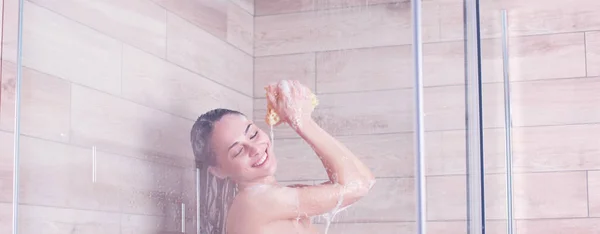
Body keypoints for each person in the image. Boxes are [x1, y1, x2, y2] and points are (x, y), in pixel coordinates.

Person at [190, 80, 375, 234]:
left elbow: (364, 179)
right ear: (218, 171)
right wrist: (302, 122)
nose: (254, 149)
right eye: (238, 151)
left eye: (253, 134)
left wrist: (300, 120)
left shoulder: (274, 198)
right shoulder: (256, 202)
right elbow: (358, 187)